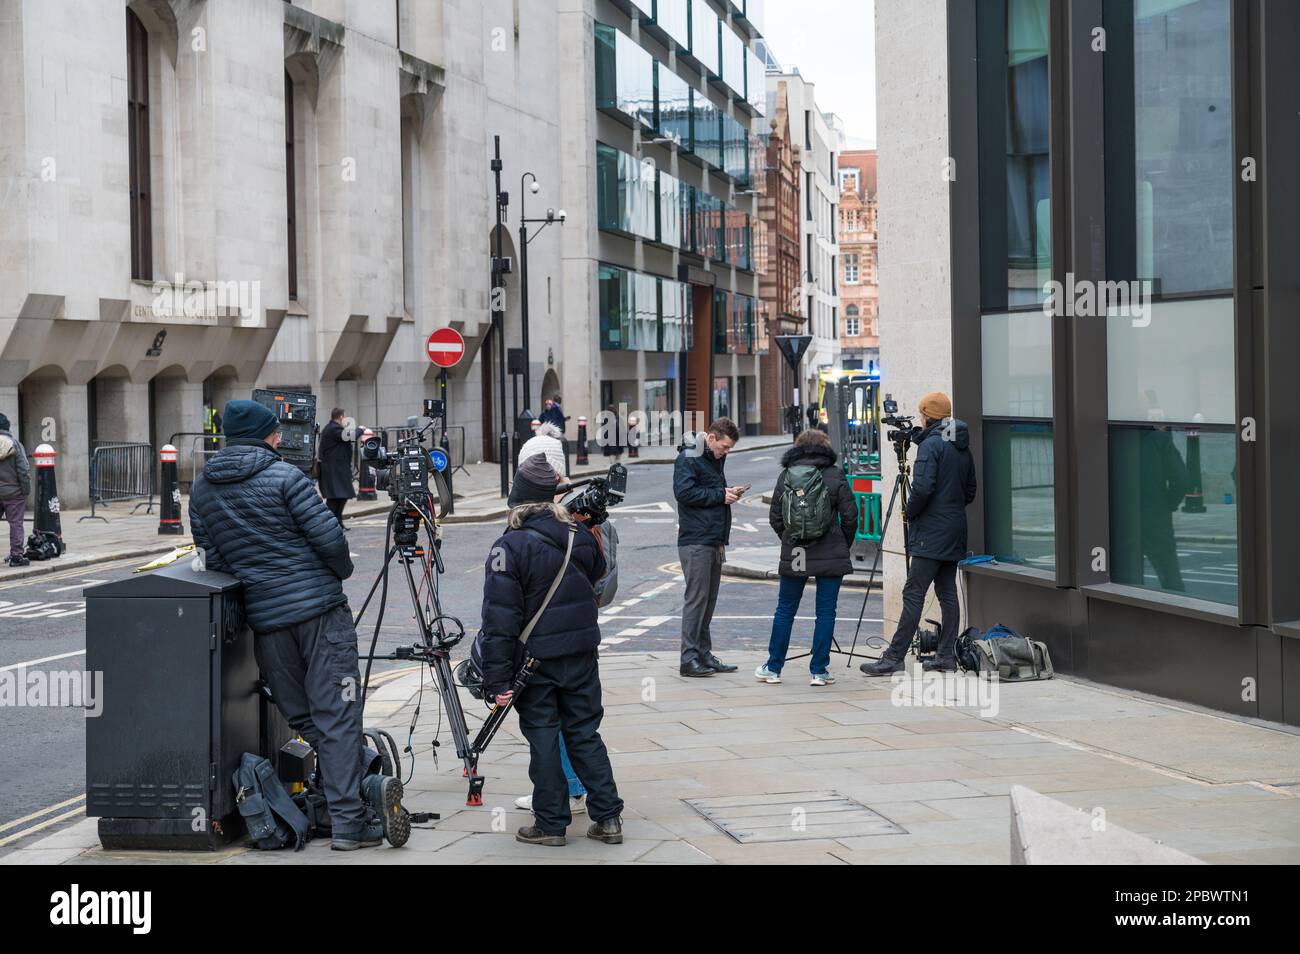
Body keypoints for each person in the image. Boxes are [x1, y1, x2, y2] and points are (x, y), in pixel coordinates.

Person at [188, 399, 409, 850]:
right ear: (270, 436)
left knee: (305, 717)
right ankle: (349, 821)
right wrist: (340, 573)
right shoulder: (287, 477)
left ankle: (343, 792)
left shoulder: (202, 490)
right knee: (338, 715)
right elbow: (329, 539)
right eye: (276, 433)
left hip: (268, 623)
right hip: (321, 616)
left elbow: (214, 560)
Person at [477, 457, 624, 847]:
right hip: (581, 653)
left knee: (543, 737)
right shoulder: (579, 533)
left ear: (517, 501)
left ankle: (551, 825)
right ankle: (608, 818)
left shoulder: (508, 547)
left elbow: (498, 620)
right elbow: (596, 577)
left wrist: (496, 680)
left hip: (534, 661)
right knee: (584, 732)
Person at [861, 392, 976, 676]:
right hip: (954, 528)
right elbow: (971, 491)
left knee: (913, 593)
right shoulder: (960, 445)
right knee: (948, 593)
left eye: (921, 414)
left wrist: (911, 512)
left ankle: (894, 657)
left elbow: (922, 488)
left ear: (927, 416)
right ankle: (946, 655)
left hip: (930, 532)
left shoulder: (931, 446)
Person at [757, 429, 859, 686]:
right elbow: (850, 516)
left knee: (785, 609)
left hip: (797, 551)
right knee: (825, 613)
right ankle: (819, 671)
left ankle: (773, 667)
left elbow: (775, 518)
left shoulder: (787, 475)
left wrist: (790, 539)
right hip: (830, 551)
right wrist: (841, 544)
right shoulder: (835, 474)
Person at [674, 417, 745, 677]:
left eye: (729, 449)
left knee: (709, 600)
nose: (725, 452)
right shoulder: (689, 457)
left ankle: (703, 654)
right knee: (696, 600)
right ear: (711, 438)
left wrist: (727, 491)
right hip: (696, 540)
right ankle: (689, 659)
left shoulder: (713, 457)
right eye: (724, 447)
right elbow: (683, 493)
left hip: (713, 538)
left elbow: (707, 489)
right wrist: (719, 495)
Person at [0, 413, 32, 568]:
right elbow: (23, 470)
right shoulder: (15, 444)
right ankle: (16, 556)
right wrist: (25, 490)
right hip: (13, 492)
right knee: (15, 524)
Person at [317, 407, 355, 527]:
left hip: (337, 470)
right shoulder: (333, 429)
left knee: (341, 497)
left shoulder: (333, 428)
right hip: (333, 471)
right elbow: (349, 436)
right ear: (341, 417)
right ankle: (330, 523)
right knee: (334, 499)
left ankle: (338, 522)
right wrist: (360, 430)